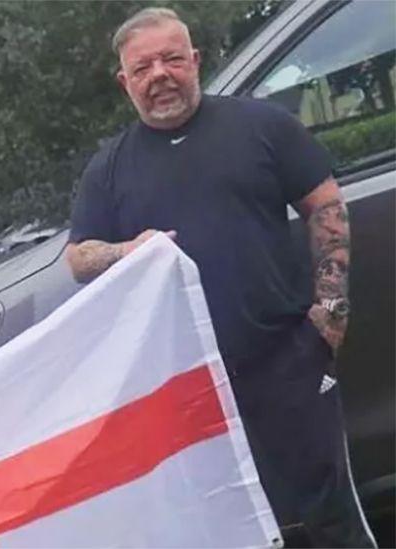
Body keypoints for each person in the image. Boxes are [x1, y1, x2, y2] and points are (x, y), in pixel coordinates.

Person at [64, 7, 375, 548]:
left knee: (328, 519)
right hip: (188, 388)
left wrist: (329, 317)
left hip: (287, 362)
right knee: (239, 528)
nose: (159, 74)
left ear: (196, 61)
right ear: (124, 82)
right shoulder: (110, 167)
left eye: (171, 59)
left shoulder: (261, 126)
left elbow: (326, 206)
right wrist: (125, 251)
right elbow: (77, 258)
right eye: (142, 68)